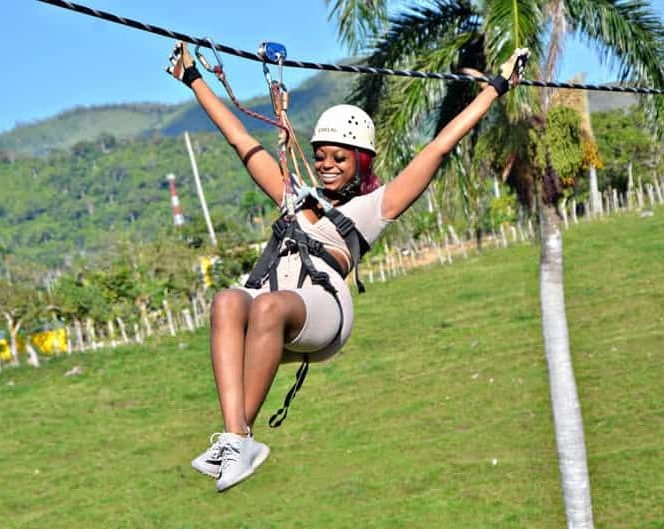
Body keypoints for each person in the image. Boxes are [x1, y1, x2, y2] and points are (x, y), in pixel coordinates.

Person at [166, 42, 528, 492]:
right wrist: (193, 79)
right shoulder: (293, 195)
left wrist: (495, 88)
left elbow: (438, 147)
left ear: (361, 162)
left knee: (267, 309)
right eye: (321, 157)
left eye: (339, 158)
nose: (327, 166)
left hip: (323, 309)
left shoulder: (375, 207)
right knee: (227, 300)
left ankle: (242, 439)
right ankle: (231, 435)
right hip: (274, 296)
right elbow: (241, 140)